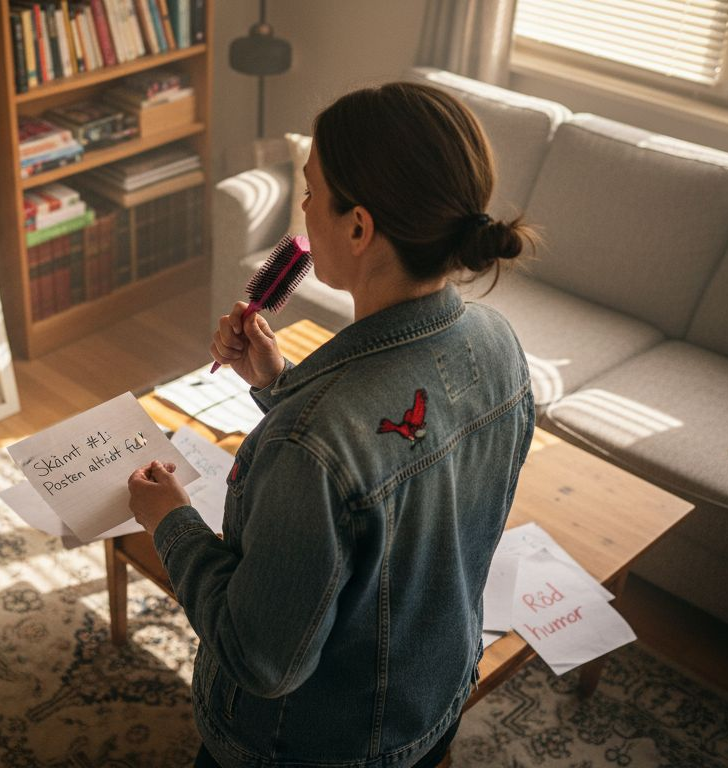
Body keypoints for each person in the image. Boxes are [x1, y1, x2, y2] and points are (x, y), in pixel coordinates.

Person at [127, 81, 538, 767]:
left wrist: (169, 520)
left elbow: (262, 662)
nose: (304, 207)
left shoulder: (311, 446)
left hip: (307, 746)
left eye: (312, 190)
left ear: (358, 227)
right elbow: (394, 494)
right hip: (429, 709)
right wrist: (278, 384)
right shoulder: (499, 342)